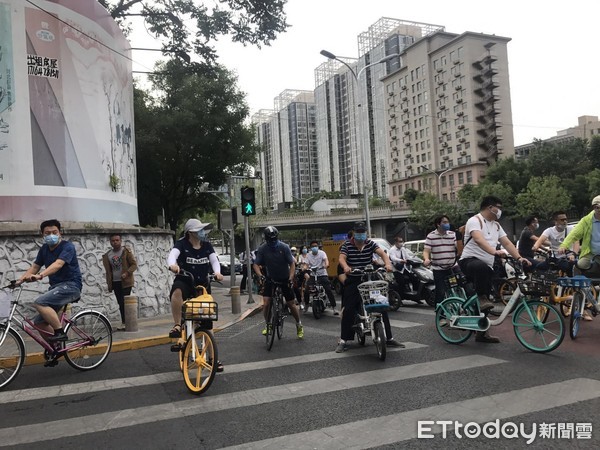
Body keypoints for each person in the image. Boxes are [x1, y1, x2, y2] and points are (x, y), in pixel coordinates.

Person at [459, 196, 530, 343]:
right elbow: (478, 239)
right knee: (481, 271)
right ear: (490, 207)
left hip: (487, 266)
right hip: (469, 262)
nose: (500, 210)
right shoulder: (475, 220)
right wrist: (494, 252)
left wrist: (519, 258)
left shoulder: (496, 225)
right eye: (499, 207)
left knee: (488, 299)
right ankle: (481, 297)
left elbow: (508, 243)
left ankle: (482, 333)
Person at [336, 221, 405, 353]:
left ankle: (389, 338)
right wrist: (346, 267)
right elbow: (342, 259)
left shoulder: (370, 244)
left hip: (370, 278)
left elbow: (383, 254)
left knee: (381, 306)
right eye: (358, 232)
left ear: (365, 233)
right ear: (354, 233)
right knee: (349, 309)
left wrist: (388, 264)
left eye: (363, 232)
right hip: (355, 278)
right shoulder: (347, 245)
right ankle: (344, 340)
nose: (361, 235)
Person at [18, 219, 82, 342]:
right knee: (39, 323)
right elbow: (35, 267)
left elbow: (58, 264)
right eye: (47, 233)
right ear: (43, 235)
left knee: (40, 302)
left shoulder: (67, 247)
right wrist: (19, 281)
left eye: (54, 232)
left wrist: (40, 275)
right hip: (56, 288)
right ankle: (55, 349)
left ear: (60, 233)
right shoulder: (44, 249)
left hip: (71, 286)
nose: (51, 235)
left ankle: (59, 331)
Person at [167, 218, 224, 339]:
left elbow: (214, 260)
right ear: (190, 232)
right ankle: (177, 324)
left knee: (208, 322)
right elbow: (173, 255)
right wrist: (173, 265)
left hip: (203, 283)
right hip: (185, 280)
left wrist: (217, 273)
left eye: (202, 230)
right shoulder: (181, 243)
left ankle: (212, 354)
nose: (202, 232)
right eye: (199, 230)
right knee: (177, 291)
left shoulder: (207, 245)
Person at [253, 226, 304, 339]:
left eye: (274, 239)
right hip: (271, 279)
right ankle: (268, 324)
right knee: (266, 303)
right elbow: (256, 264)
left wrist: (291, 278)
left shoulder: (284, 247)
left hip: (285, 278)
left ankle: (298, 324)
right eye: (270, 240)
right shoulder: (262, 249)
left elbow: (292, 264)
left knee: (291, 303)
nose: (272, 242)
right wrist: (260, 276)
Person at [102, 233, 138, 330]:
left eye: (117, 240)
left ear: (120, 241)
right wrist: (109, 282)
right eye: (113, 241)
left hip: (126, 282)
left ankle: (127, 323)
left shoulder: (126, 251)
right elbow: (108, 270)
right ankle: (124, 322)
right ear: (110, 242)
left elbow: (134, 265)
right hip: (115, 282)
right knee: (120, 302)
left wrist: (127, 273)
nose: (115, 242)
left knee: (124, 302)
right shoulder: (108, 255)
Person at [560, 196, 600, 278]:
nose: (599, 210)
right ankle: (580, 288)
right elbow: (574, 234)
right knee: (579, 265)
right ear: (593, 208)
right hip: (591, 253)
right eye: (597, 207)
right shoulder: (586, 220)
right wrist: (564, 245)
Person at [423, 215, 457, 306]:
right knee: (441, 291)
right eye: (444, 222)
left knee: (458, 287)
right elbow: (426, 251)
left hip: (452, 268)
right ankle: (440, 314)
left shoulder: (453, 235)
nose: (447, 224)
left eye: (448, 222)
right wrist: (426, 259)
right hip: (439, 269)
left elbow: (458, 247)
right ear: (438, 224)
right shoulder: (431, 236)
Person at [533, 211, 578, 276]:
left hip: (569, 258)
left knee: (571, 270)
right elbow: (540, 240)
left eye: (566, 219)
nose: (565, 221)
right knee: (539, 267)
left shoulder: (571, 229)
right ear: (555, 221)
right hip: (554, 259)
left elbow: (576, 242)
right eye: (562, 220)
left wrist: (573, 254)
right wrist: (535, 247)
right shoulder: (549, 230)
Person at [304, 240, 338, 315]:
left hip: (322, 274)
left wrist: (326, 265)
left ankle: (334, 307)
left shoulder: (322, 253)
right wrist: (305, 268)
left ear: (318, 246)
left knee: (328, 289)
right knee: (306, 290)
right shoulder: (308, 255)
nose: (314, 247)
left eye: (315, 246)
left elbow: (326, 261)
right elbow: (306, 264)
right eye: (312, 246)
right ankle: (306, 305)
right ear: (310, 248)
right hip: (313, 275)